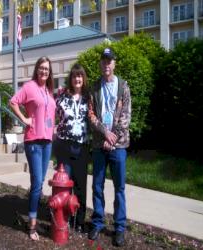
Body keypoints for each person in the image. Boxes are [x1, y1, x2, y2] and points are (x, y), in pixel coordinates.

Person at [87, 48, 131, 247]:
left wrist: (113, 138)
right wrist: (105, 134)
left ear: (114, 63)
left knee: (119, 187)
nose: (106, 64)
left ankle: (119, 228)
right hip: (99, 144)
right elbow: (91, 115)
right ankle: (97, 222)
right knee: (97, 186)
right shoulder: (94, 87)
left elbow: (126, 118)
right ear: (100, 64)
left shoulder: (123, 86)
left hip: (119, 145)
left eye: (109, 61)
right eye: (103, 61)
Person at [10, 56, 56, 241]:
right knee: (37, 182)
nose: (44, 71)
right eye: (41, 68)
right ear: (37, 69)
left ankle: (33, 213)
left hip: (47, 141)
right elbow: (13, 102)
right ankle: (32, 224)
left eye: (47, 69)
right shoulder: (29, 87)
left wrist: (54, 128)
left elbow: (49, 114)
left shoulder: (48, 90)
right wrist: (24, 119)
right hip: (34, 141)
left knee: (39, 181)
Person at [54, 63, 89, 233]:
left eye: (80, 76)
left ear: (83, 79)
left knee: (81, 186)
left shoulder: (89, 99)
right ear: (71, 79)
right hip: (65, 146)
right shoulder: (61, 97)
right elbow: (49, 111)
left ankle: (80, 221)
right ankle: (65, 219)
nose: (77, 79)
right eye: (75, 76)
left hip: (81, 147)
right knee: (65, 186)